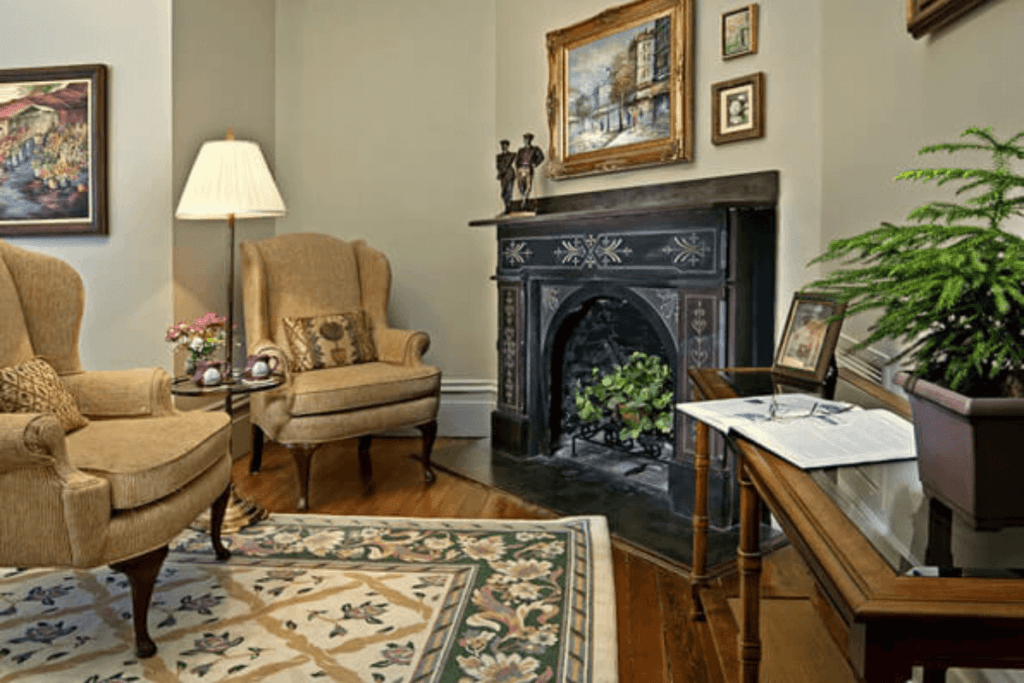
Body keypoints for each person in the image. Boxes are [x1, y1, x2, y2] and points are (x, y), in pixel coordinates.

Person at [514, 132, 544, 211]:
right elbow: (516, 160)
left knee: (528, 185)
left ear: (530, 140)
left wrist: (535, 164)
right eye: (525, 139)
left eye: (528, 139)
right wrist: (517, 168)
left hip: (528, 168)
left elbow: (541, 157)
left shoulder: (534, 149)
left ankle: (525, 200)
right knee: (521, 186)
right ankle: (524, 199)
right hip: (521, 168)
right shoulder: (520, 150)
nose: (526, 141)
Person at [495, 139, 516, 214]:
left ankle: (509, 207)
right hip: (503, 176)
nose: (504, 147)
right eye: (502, 145)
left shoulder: (512, 155)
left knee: (509, 191)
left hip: (509, 175)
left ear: (507, 146)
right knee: (503, 193)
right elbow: (498, 166)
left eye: (505, 145)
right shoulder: (498, 157)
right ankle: (506, 206)